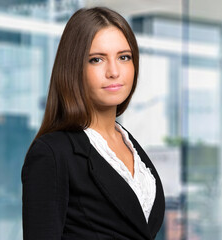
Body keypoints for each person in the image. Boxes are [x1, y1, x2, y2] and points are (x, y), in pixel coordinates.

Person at [21, 6, 165, 240]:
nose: (114, 71)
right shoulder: (52, 153)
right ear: (74, 67)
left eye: (124, 57)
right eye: (96, 59)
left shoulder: (130, 145)